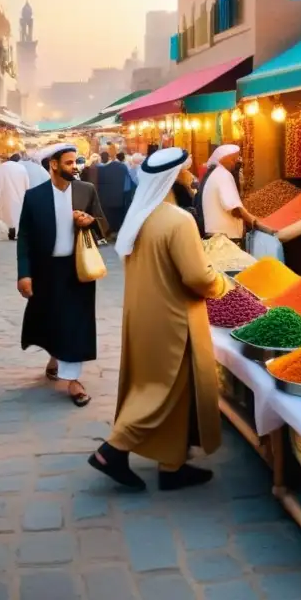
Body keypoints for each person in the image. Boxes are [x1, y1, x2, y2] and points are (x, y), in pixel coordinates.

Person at [90, 149, 230, 491]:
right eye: (185, 172)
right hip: (174, 317)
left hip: (143, 314)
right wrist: (224, 283)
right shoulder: (178, 220)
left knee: (171, 389)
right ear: (173, 178)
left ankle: (173, 465)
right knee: (160, 390)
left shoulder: (141, 217)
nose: (190, 177)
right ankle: (113, 450)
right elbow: (197, 276)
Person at [17, 145, 108, 407]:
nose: (74, 167)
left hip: (77, 269)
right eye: (68, 163)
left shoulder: (86, 190)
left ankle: (73, 381)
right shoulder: (34, 197)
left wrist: (89, 221)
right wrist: (25, 274)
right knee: (51, 320)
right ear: (53, 165)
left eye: (75, 162)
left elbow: (103, 223)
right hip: (46, 271)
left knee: (76, 322)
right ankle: (56, 356)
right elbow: (25, 238)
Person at [200, 144, 267, 243]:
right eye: (232, 159)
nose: (235, 162)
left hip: (217, 235)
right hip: (225, 238)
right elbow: (234, 208)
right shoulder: (223, 175)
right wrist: (254, 220)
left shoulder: (215, 173)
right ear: (222, 160)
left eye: (236, 159)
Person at [0, 153, 31, 241]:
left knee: (9, 214)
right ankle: (16, 233)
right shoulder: (21, 167)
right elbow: (26, 182)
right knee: (18, 214)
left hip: (5, 193)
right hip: (19, 193)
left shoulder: (2, 167)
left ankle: (11, 231)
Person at [97, 151, 131, 235]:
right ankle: (117, 231)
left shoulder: (100, 169)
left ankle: (109, 231)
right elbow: (127, 185)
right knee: (117, 216)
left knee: (109, 216)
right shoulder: (122, 167)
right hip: (119, 198)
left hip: (105, 199)